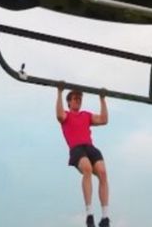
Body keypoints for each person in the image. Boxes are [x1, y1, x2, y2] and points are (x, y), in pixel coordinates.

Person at [57, 83, 110, 227]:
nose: (77, 101)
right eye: (74, 98)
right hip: (77, 149)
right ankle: (89, 214)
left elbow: (104, 120)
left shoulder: (86, 115)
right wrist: (59, 92)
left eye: (79, 99)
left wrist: (102, 99)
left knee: (103, 173)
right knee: (86, 168)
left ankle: (105, 217)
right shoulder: (66, 115)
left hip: (90, 147)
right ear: (69, 102)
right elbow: (59, 114)